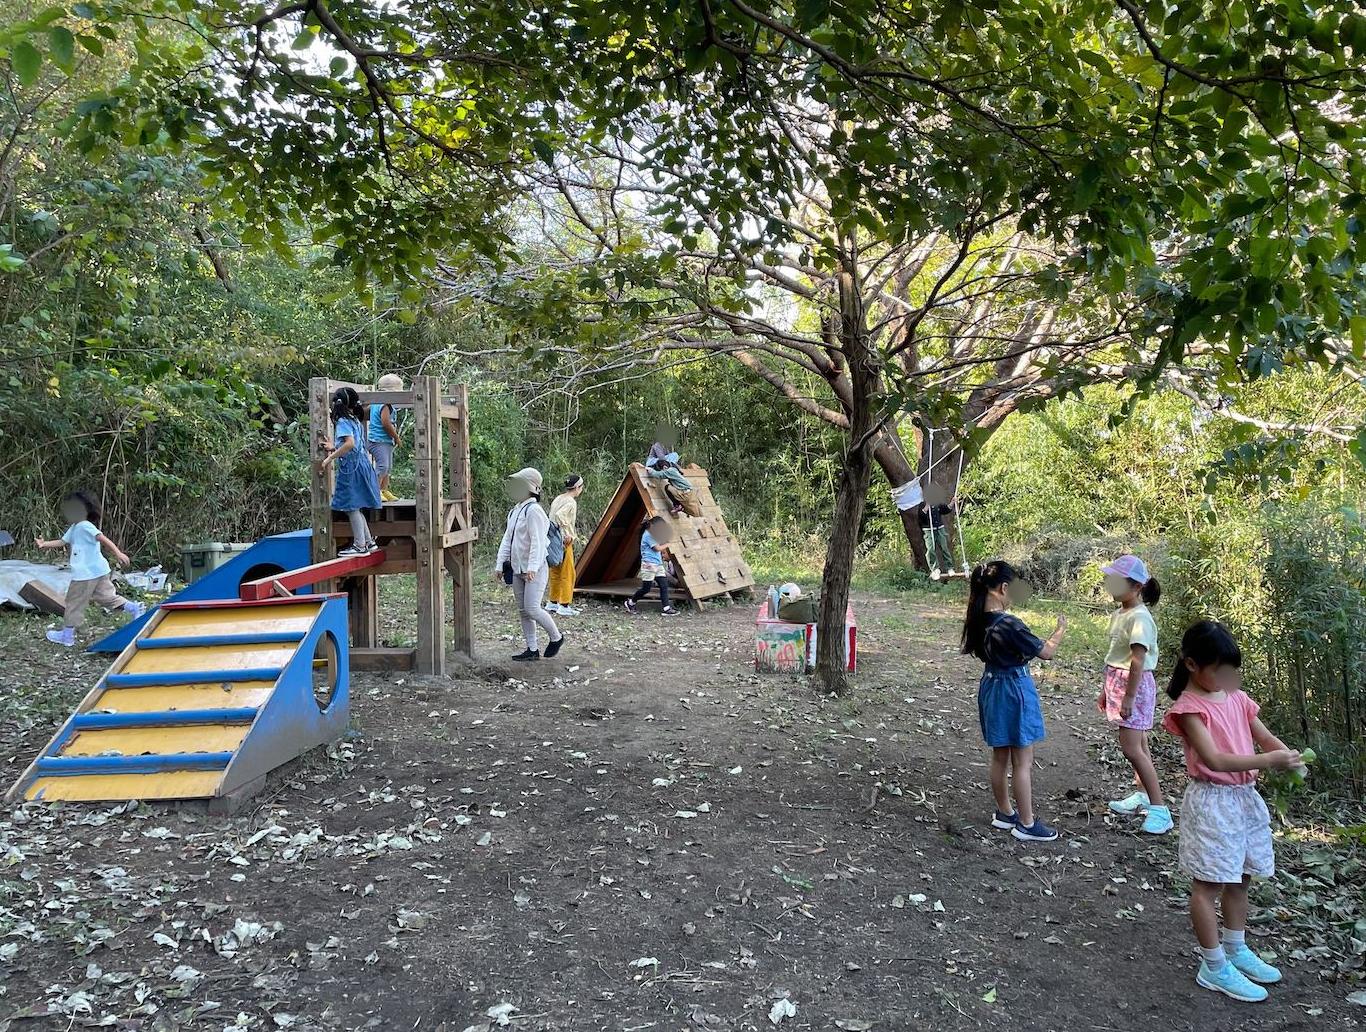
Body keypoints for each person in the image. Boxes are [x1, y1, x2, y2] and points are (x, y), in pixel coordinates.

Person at [1162, 620, 1303, 1002]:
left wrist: (1287, 755)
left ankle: (1236, 947)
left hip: (1244, 798)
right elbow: (1215, 759)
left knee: (1241, 877)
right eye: (1219, 671)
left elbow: (1264, 734)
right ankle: (1213, 963)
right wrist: (1269, 759)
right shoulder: (1190, 709)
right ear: (1191, 665)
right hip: (1213, 802)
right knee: (1208, 884)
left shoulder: (1236, 697)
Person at [960, 560, 1066, 841]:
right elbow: (1046, 652)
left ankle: (1006, 813)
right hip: (1014, 689)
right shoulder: (1009, 624)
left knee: (1000, 755)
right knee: (1023, 760)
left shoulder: (977, 619)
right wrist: (1060, 629)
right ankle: (1028, 824)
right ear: (1003, 588)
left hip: (991, 686)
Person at [1098, 554, 1172, 834]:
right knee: (1139, 745)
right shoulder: (1121, 613)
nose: (1110, 584)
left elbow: (1137, 661)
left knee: (1131, 748)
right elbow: (1115, 656)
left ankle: (1160, 809)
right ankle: (1142, 795)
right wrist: (1106, 691)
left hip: (1135, 686)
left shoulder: (1140, 617)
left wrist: (1128, 698)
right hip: (1119, 682)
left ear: (1137, 587)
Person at [35, 491, 145, 647]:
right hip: (99, 570)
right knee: (106, 597)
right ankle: (134, 608)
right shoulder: (75, 527)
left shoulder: (85, 526)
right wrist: (44, 544)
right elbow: (62, 541)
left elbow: (102, 538)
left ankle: (67, 636)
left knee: (73, 603)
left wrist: (118, 553)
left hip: (85, 574)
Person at [494, 467, 565, 661]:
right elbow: (507, 539)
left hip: (535, 569)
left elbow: (538, 542)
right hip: (517, 568)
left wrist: (532, 568)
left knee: (532, 608)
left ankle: (556, 637)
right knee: (523, 611)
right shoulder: (515, 511)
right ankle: (531, 649)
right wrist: (500, 564)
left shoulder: (534, 510)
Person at [319, 386, 381, 556]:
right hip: (362, 464)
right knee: (356, 506)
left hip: (351, 468)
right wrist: (334, 448)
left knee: (351, 506)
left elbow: (349, 444)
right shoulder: (354, 419)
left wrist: (329, 458)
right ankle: (369, 543)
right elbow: (351, 444)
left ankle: (360, 545)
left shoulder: (342, 421)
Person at [624, 515, 678, 616]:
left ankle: (666, 608)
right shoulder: (647, 535)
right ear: (652, 525)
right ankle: (630, 602)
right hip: (649, 565)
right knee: (646, 588)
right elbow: (657, 548)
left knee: (664, 585)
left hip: (658, 564)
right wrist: (669, 544)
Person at [546, 474, 584, 616]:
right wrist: (567, 533)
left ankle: (553, 602)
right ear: (577, 488)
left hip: (552, 539)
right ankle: (564, 604)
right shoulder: (570, 502)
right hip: (563, 539)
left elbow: (551, 516)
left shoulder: (558, 498)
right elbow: (560, 516)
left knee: (555, 570)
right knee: (568, 572)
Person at [367, 372, 404, 502]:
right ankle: (375, 490)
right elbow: (386, 423)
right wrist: (396, 437)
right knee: (383, 466)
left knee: (388, 467)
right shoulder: (385, 404)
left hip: (384, 441)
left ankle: (384, 490)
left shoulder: (377, 402)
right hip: (378, 440)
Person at [917, 501, 954, 578]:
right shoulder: (922, 504)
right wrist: (927, 507)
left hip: (939, 528)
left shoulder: (938, 503)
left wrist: (952, 503)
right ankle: (935, 569)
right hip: (928, 530)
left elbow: (945, 510)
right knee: (930, 549)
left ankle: (950, 568)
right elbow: (920, 517)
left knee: (944, 548)